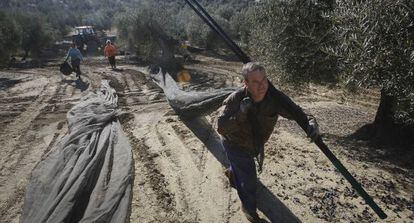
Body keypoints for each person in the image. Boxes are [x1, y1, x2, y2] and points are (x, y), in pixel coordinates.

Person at [216, 62, 320, 223]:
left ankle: (232, 172)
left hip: (254, 145)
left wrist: (310, 121)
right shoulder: (235, 99)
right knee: (249, 178)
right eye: (256, 82)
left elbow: (296, 111)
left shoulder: (275, 99)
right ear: (246, 83)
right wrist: (241, 113)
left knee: (241, 169)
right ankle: (249, 210)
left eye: (264, 79)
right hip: (234, 143)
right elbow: (221, 128)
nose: (262, 85)